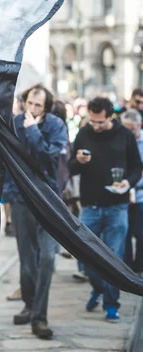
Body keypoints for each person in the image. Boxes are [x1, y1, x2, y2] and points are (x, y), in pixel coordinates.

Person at [69, 97, 142, 322]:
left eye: (100, 122)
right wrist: (78, 161)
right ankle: (98, 288)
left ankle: (111, 304)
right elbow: (70, 168)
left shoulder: (125, 136)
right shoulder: (84, 133)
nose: (96, 126)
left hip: (116, 208)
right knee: (85, 256)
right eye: (92, 121)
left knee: (114, 258)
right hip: (90, 206)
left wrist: (127, 183)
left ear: (111, 117)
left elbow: (137, 168)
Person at [8, 84, 68, 340]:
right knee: (26, 258)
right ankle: (31, 305)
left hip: (47, 197)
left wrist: (32, 129)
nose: (31, 109)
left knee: (47, 258)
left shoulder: (55, 125)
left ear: (46, 107)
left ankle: (39, 317)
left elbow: (47, 156)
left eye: (37, 106)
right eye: (29, 103)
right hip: (21, 197)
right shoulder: (13, 122)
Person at [120, 109, 143, 273]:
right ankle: (127, 268)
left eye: (132, 129)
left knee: (141, 234)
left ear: (139, 126)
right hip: (124, 193)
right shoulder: (120, 141)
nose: (128, 133)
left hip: (141, 195)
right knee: (125, 233)